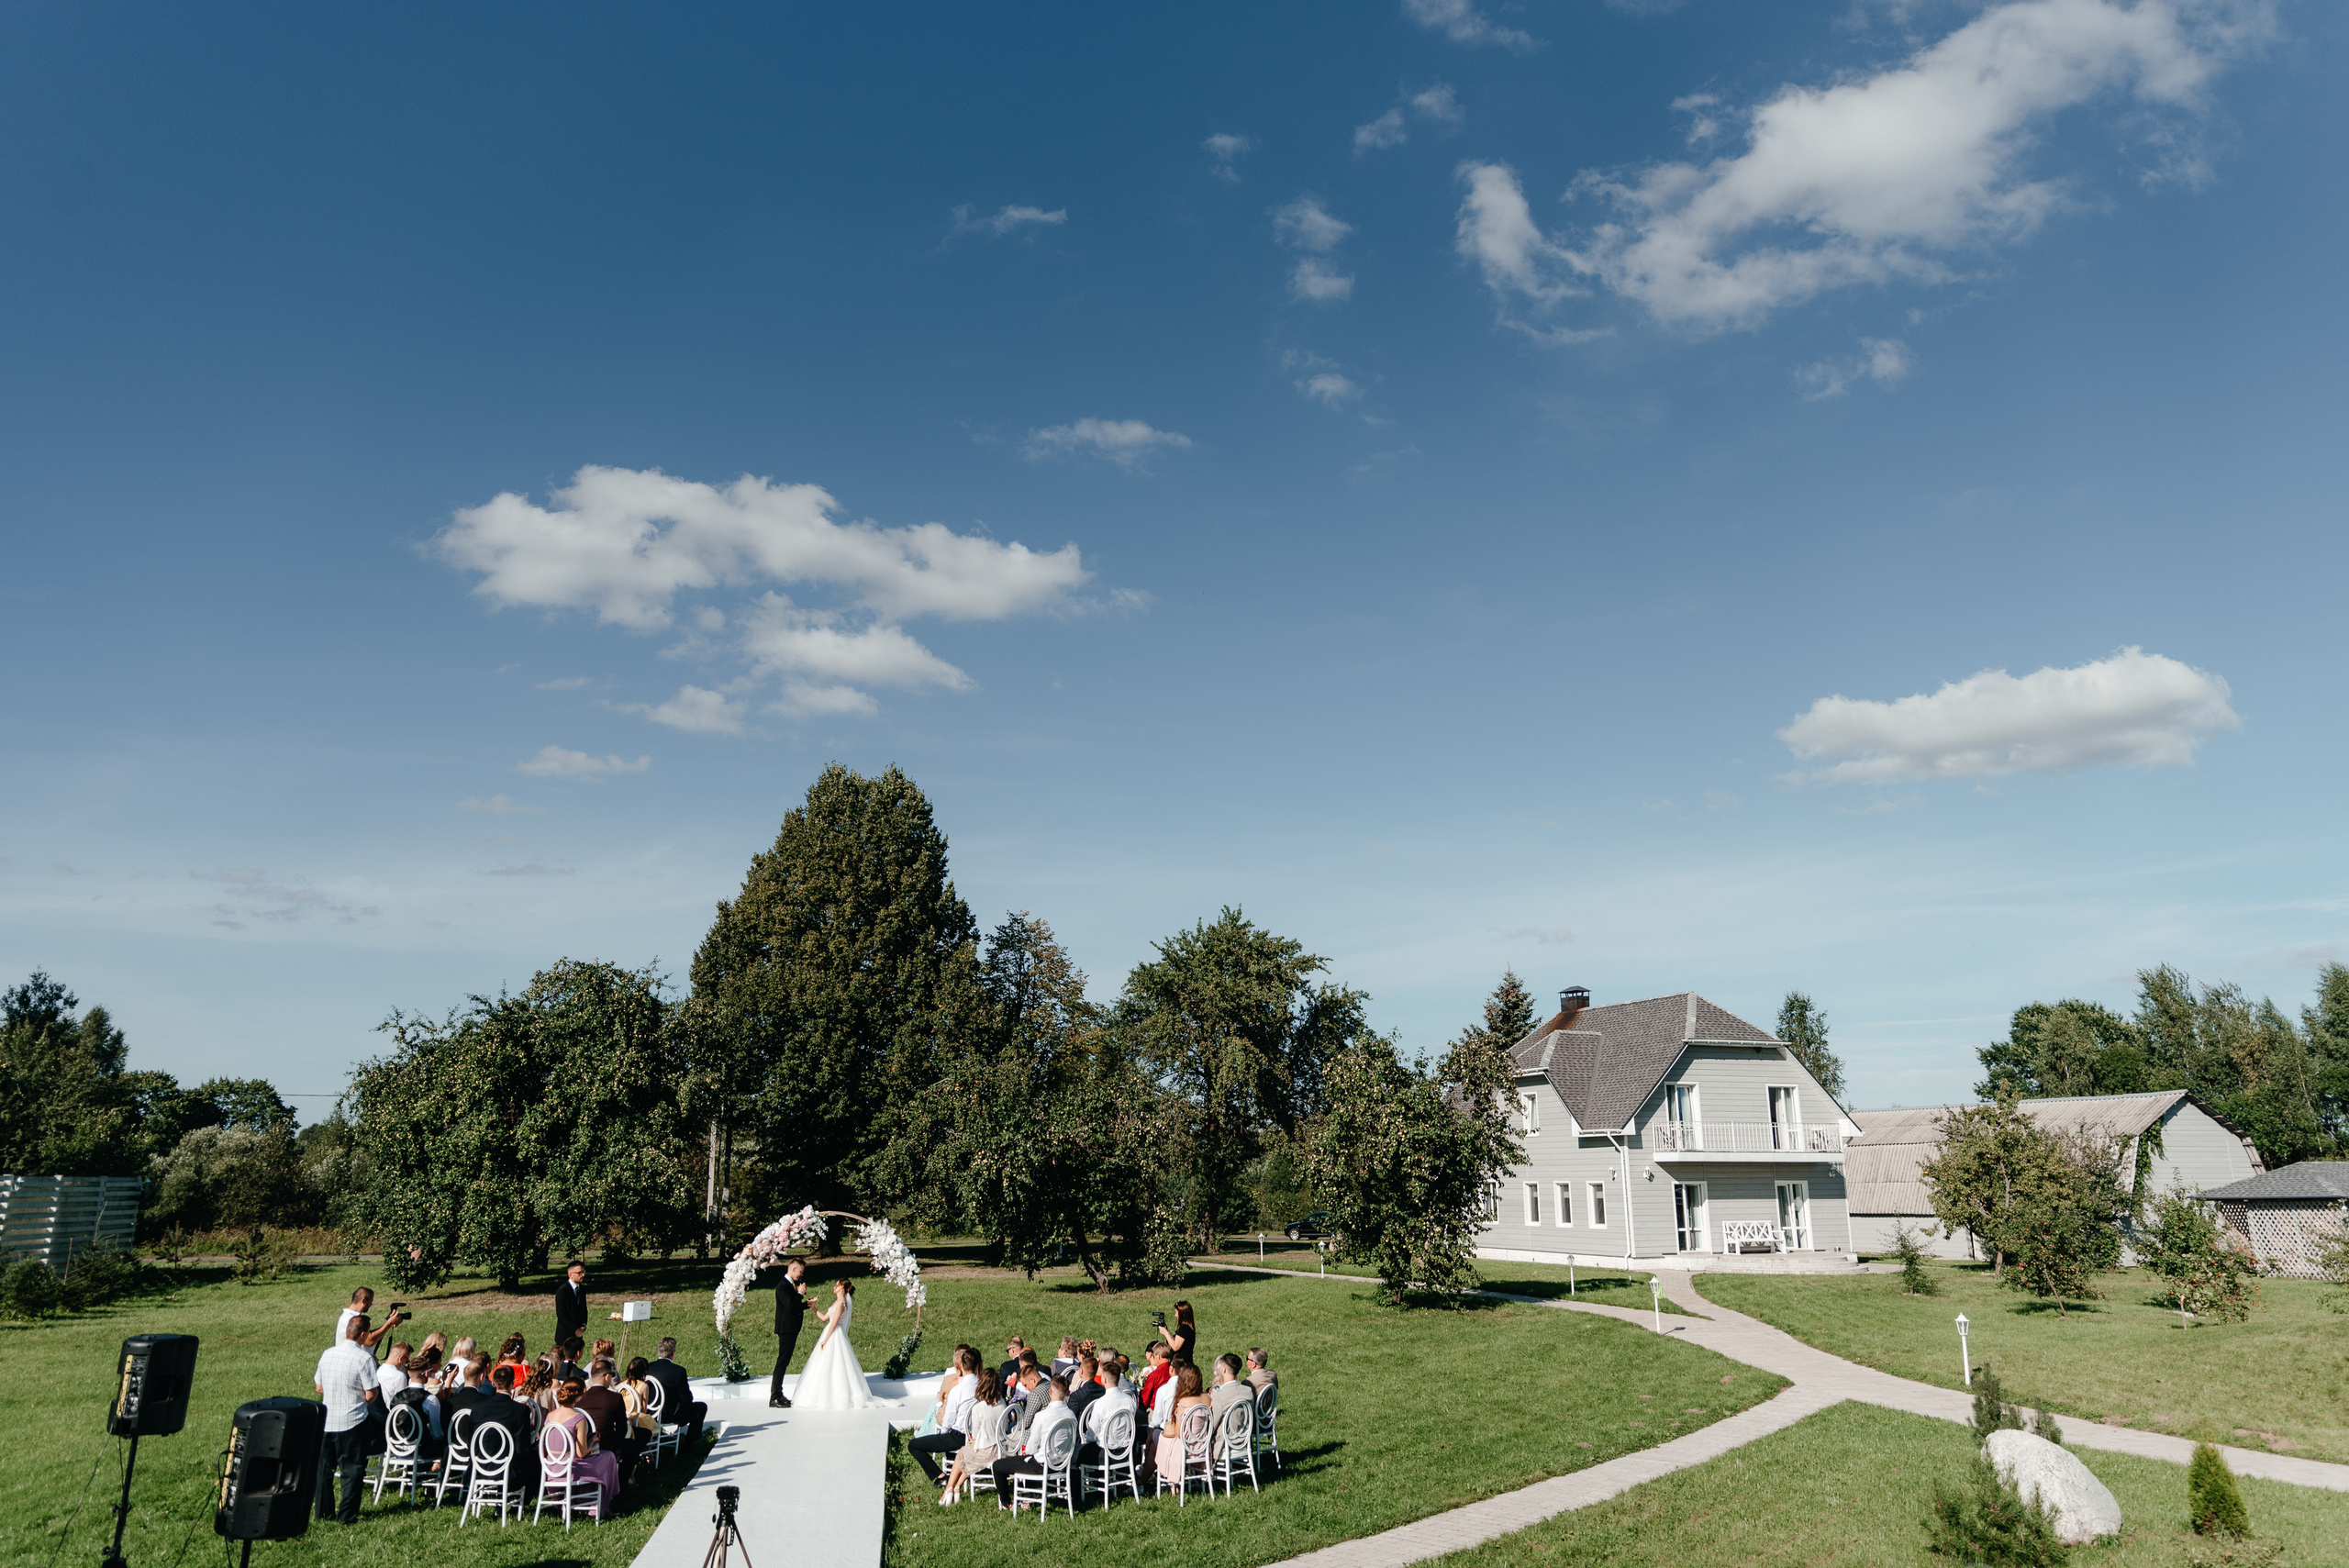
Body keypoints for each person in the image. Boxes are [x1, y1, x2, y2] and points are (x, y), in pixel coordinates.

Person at [312, 1315, 382, 1524]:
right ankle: (347, 1515)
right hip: (353, 1419)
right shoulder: (364, 1358)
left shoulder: (327, 1354)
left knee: (324, 1471)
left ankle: (323, 1514)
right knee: (352, 1471)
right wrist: (363, 1400)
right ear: (363, 1334)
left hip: (327, 1420)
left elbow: (319, 1387)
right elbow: (371, 1393)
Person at [988, 1373, 1076, 1504]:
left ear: (1050, 1392)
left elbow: (1031, 1448)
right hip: (1061, 1464)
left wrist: (1029, 1452)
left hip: (1041, 1465)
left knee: (997, 1466)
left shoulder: (1042, 1416)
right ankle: (1027, 1498)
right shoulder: (1071, 1415)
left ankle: (1007, 1503)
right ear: (1067, 1393)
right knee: (1027, 1459)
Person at [792, 1278, 877, 1410]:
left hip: (834, 1334)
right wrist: (813, 1308)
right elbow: (824, 1318)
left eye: (836, 1285)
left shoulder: (841, 1304)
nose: (834, 1287)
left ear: (842, 1288)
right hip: (830, 1332)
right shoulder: (837, 1302)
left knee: (836, 1362)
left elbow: (833, 1324)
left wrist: (825, 1340)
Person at [542, 1377, 621, 1511]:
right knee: (609, 1457)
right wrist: (592, 1441)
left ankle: (581, 1499)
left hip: (550, 1467)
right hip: (569, 1468)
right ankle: (597, 1504)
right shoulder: (578, 1418)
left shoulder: (550, 1416)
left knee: (605, 1457)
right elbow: (581, 1453)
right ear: (579, 1396)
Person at [937, 1368, 1009, 1503]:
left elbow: (975, 1435)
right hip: (1002, 1450)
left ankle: (949, 1488)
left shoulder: (978, 1408)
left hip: (985, 1451)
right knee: (966, 1455)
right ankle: (956, 1487)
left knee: (962, 1455)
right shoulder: (1002, 1403)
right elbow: (1005, 1427)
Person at [911, 1345, 978, 1482]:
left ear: (960, 1365)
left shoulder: (958, 1390)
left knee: (913, 1445)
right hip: (978, 1436)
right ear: (977, 1365)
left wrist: (943, 1434)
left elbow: (949, 1419)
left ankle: (940, 1476)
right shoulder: (984, 1385)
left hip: (959, 1437)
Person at [577, 1360, 644, 1483]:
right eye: (612, 1375)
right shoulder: (614, 1398)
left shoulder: (580, 1398)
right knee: (633, 1446)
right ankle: (621, 1483)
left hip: (583, 1445)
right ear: (607, 1376)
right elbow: (622, 1429)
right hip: (606, 1445)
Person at [1076, 1360, 1139, 1483]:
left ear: (1104, 1380)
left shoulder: (1101, 1403)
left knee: (1075, 1453)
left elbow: (1092, 1434)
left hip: (1104, 1453)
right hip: (1126, 1451)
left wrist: (1087, 1441)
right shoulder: (1130, 1400)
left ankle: (1084, 1488)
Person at [1152, 1362, 1210, 1492]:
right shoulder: (1207, 1398)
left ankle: (1171, 1482)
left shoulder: (1183, 1402)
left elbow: (1179, 1433)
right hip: (1202, 1445)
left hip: (1186, 1447)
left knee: (1160, 1437)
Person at [647, 1337, 707, 1445]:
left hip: (649, 1413)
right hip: (669, 1415)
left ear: (659, 1351)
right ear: (673, 1353)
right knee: (701, 1407)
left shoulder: (648, 1367)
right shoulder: (678, 1371)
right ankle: (689, 1444)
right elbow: (687, 1399)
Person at [770, 1257, 810, 1408]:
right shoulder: (782, 1286)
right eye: (801, 1271)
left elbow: (794, 1306)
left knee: (784, 1362)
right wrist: (799, 1294)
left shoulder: (790, 1285)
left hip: (791, 1328)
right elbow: (789, 1306)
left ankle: (778, 1394)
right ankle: (775, 1396)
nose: (801, 1274)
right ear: (793, 1269)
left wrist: (806, 1304)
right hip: (786, 1329)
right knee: (782, 1362)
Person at [333, 1286, 406, 1356]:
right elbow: (369, 1340)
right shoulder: (349, 1319)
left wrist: (388, 1323)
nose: (371, 1304)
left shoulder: (351, 1317)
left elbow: (367, 1335)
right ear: (364, 1300)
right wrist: (388, 1324)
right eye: (371, 1301)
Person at [554, 1262, 589, 1349]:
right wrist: (575, 1329)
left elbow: (584, 1310)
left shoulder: (582, 1289)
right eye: (579, 1273)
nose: (583, 1275)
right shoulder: (563, 1291)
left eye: (583, 1272)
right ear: (570, 1275)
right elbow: (561, 1314)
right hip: (565, 1336)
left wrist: (583, 1326)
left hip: (578, 1335)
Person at [1065, 1353, 1104, 1429]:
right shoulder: (1103, 1390)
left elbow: (1069, 1420)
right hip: (1099, 1430)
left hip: (1081, 1433)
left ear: (1081, 1371)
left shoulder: (1076, 1396)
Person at [1153, 1300, 1197, 1364]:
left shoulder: (1185, 1329)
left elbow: (1175, 1347)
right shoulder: (1185, 1328)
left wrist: (1165, 1333)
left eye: (1176, 1313)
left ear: (1183, 1314)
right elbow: (1174, 1342)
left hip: (1183, 1366)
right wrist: (1166, 1331)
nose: (1175, 1315)